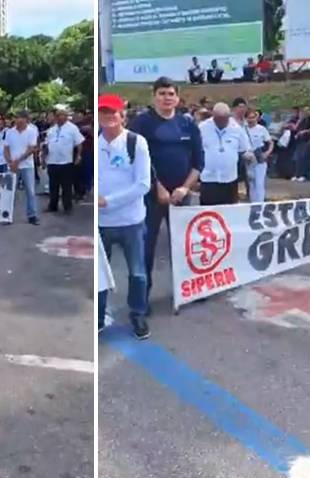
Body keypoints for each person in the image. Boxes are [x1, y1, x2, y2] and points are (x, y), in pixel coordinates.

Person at [129, 76, 203, 306]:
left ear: (178, 98)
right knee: (146, 250)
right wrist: (157, 186)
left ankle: (187, 291)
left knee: (184, 246)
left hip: (181, 196)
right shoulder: (141, 124)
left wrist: (184, 188)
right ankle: (142, 298)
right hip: (150, 197)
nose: (167, 98)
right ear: (154, 97)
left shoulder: (187, 124)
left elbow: (199, 162)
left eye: (171, 93)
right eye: (162, 93)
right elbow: (135, 160)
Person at [97, 94, 152, 339]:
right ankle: (98, 317)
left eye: (112, 112)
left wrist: (108, 202)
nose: (107, 117)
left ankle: (138, 315)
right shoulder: (96, 144)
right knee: (100, 275)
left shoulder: (135, 143)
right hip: (102, 223)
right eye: (103, 112)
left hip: (131, 221)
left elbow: (143, 184)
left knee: (137, 273)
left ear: (122, 116)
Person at [198, 102, 252, 205]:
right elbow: (195, 150)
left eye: (224, 119)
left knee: (229, 212)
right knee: (209, 212)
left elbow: (245, 148)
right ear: (213, 116)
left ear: (229, 116)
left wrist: (248, 155)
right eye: (218, 119)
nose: (221, 122)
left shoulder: (236, 129)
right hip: (209, 179)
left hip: (230, 178)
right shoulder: (202, 128)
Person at [44, 106, 84, 214]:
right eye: (58, 116)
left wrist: (78, 156)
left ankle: (67, 206)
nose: (60, 117)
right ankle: (53, 205)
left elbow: (79, 143)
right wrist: (44, 158)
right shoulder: (51, 130)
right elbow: (47, 144)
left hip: (66, 161)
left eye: (63, 115)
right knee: (53, 186)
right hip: (52, 161)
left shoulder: (72, 128)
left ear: (66, 117)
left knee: (66, 186)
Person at [4, 110, 40, 225]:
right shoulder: (10, 132)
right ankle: (7, 215)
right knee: (10, 192)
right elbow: (6, 148)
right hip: (13, 166)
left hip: (27, 166)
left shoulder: (31, 131)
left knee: (30, 191)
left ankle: (32, 215)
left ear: (26, 119)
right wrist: (10, 162)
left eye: (21, 118)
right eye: (17, 117)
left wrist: (17, 161)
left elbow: (31, 149)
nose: (18, 120)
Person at [244, 109, 273, 202]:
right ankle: (253, 203)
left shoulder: (261, 129)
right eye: (249, 118)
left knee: (259, 183)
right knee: (251, 183)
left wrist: (267, 153)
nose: (251, 120)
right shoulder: (242, 130)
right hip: (248, 159)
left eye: (253, 117)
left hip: (259, 158)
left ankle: (260, 204)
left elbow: (270, 142)